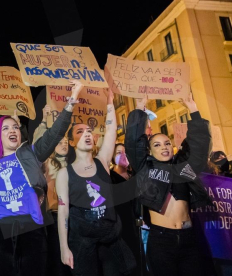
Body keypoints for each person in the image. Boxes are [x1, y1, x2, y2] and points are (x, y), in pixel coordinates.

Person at [0, 80, 84, 276]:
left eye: (16, 127)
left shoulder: (31, 154)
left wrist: (72, 101)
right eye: (6, 128)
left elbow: (54, 134)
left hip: (31, 229)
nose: (13, 130)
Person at [124, 94, 213, 276]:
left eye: (167, 143)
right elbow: (133, 143)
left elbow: (199, 144)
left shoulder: (182, 166)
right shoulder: (144, 167)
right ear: (149, 150)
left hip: (190, 239)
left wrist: (193, 109)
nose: (164, 147)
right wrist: (140, 110)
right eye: (157, 145)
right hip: (162, 241)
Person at [56, 89, 136, 276]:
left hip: (111, 239)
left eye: (90, 131)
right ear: (72, 142)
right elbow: (63, 212)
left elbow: (110, 131)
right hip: (83, 242)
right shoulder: (64, 174)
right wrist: (63, 247)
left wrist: (109, 102)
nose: (87, 134)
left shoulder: (102, 162)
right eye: (80, 131)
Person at [32, 104, 72, 276]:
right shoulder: (47, 163)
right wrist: (43, 121)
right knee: (57, 254)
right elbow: (38, 145)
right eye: (59, 142)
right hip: (54, 215)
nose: (63, 145)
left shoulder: (73, 164)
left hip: (73, 215)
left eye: (65, 142)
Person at [110, 143, 144, 276]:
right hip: (122, 228)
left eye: (125, 152)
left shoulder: (134, 176)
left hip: (138, 227)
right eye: (118, 153)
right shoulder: (110, 178)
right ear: (112, 157)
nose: (123, 155)